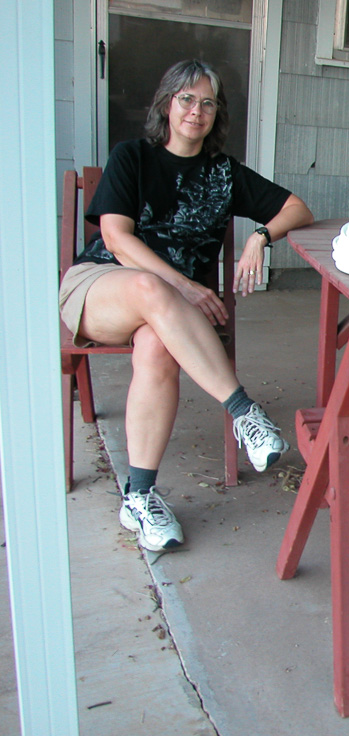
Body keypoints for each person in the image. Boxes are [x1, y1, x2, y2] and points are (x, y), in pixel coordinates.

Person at [59, 60, 314, 553]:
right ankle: (244, 411)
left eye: (208, 102)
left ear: (217, 114)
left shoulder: (223, 174)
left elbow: (297, 209)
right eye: (186, 99)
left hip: (168, 317)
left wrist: (259, 238)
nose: (196, 110)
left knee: (157, 347)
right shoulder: (132, 156)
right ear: (167, 104)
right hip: (102, 289)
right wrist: (187, 287)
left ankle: (139, 497)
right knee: (154, 293)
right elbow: (114, 236)